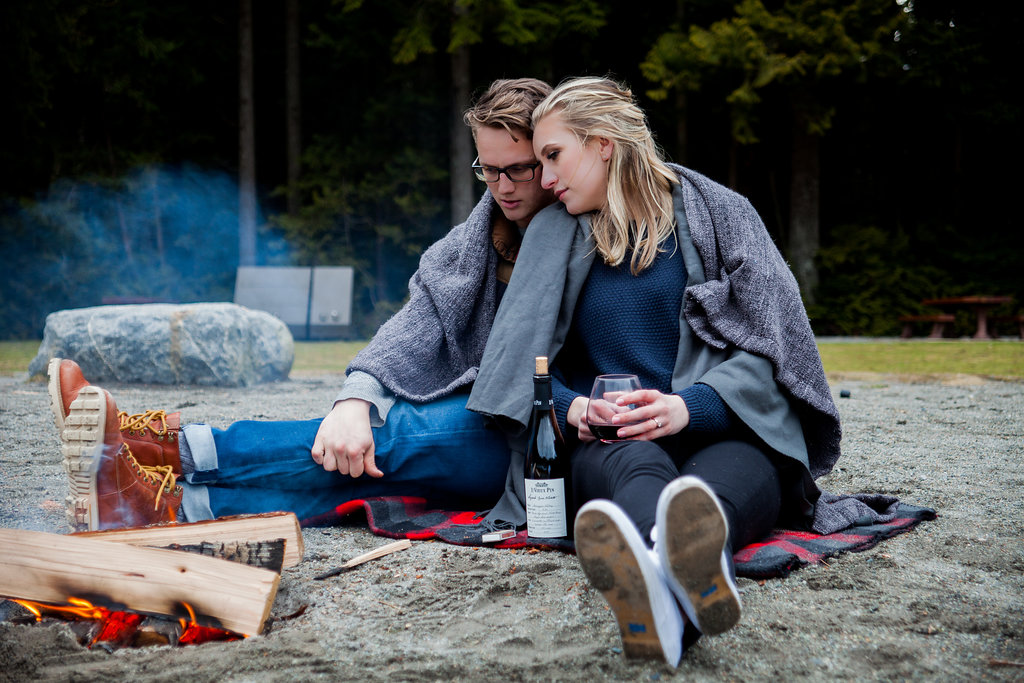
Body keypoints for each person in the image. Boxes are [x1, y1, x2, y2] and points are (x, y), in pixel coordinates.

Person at [49, 77, 556, 531]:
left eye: (518, 170)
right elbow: (409, 330)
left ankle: (163, 449)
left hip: (528, 439)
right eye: (488, 171)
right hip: (484, 423)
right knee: (360, 474)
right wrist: (354, 401)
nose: (502, 188)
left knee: (399, 435)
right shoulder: (468, 244)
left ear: (550, 157)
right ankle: (165, 507)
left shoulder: (572, 236)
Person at [465, 76, 855, 666]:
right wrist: (573, 407)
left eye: (553, 156)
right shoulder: (552, 234)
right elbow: (517, 367)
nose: (544, 180)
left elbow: (778, 351)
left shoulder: (721, 214)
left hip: (725, 431)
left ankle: (665, 587)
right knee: (637, 466)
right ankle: (672, 576)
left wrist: (687, 407)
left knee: (708, 493)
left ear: (602, 143)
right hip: (612, 441)